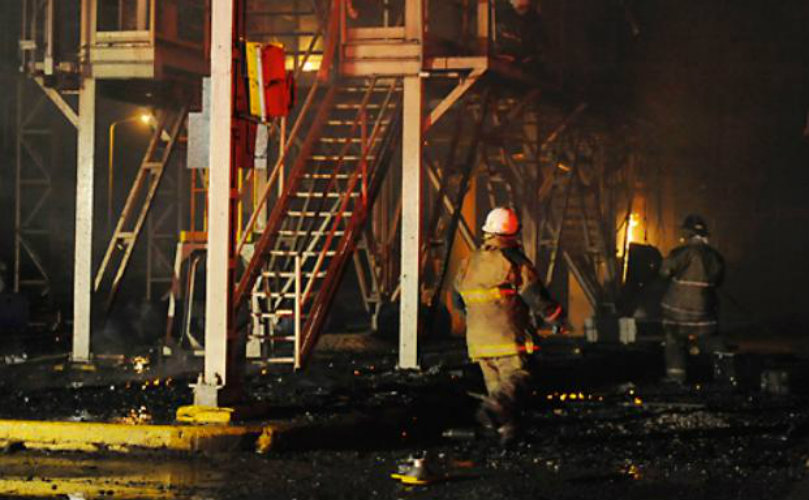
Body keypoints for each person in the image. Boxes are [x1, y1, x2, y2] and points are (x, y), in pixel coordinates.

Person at [454, 207, 563, 444]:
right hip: (507, 338)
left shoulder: (468, 262)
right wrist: (555, 317)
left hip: (477, 343)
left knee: (496, 387)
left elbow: (458, 301)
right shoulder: (514, 261)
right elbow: (535, 296)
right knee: (518, 378)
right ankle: (495, 407)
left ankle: (506, 434)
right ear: (513, 233)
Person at [660, 214, 725, 383]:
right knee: (711, 342)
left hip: (676, 315)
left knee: (673, 341)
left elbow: (664, 271)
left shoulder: (680, 253)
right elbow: (718, 280)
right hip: (704, 316)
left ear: (687, 234)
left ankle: (675, 378)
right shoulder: (715, 257)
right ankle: (719, 376)